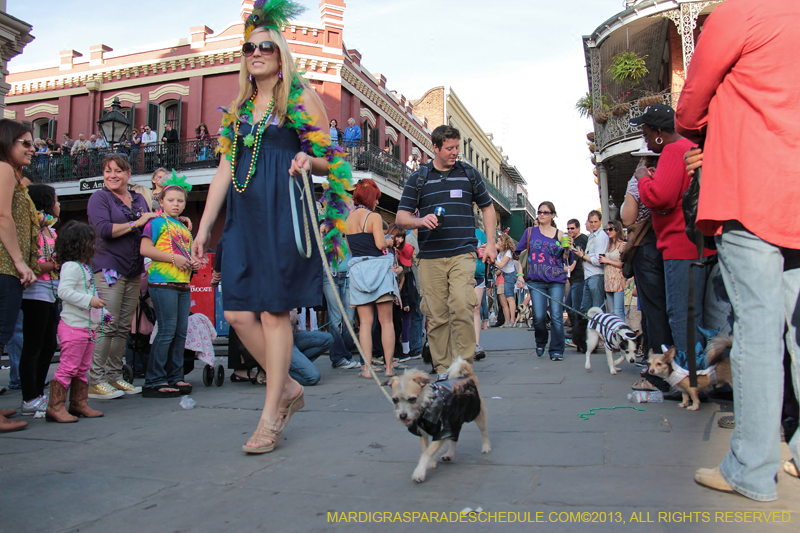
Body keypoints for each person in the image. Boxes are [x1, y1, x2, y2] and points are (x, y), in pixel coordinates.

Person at [191, 0, 351, 455]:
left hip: (285, 214)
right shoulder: (239, 109)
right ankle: (289, 390)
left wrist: (308, 158)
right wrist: (205, 229)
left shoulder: (300, 98)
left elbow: (332, 162)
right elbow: (225, 167)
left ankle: (269, 415)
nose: (256, 52)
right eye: (249, 47)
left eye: (266, 46)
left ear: (280, 55)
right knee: (238, 313)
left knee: (274, 312)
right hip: (243, 218)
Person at [675, 0, 800, 501]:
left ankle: (751, 468)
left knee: (757, 331)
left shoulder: (741, 13)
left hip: (752, 189)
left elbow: (688, 108)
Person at [395, 124, 497, 373]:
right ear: (435, 148)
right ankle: (442, 370)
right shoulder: (419, 178)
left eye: (457, 148)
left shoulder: (469, 174)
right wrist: (420, 221)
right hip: (430, 257)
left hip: (463, 252)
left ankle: (462, 368)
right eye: (449, 148)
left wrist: (492, 243)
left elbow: (488, 207)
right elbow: (400, 218)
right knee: (437, 315)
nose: (454, 153)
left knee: (462, 306)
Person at [630, 105, 716, 356]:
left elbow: (660, 198)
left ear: (658, 132)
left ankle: (690, 378)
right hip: (701, 242)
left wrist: (643, 178)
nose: (644, 138)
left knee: (682, 315)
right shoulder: (690, 147)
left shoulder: (672, 150)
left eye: (646, 132)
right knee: (700, 315)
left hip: (680, 245)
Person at [87, 155, 157, 399]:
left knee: (122, 328)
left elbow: (151, 226)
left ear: (128, 174)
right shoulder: (100, 198)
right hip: (109, 267)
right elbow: (103, 229)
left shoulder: (138, 198)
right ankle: (95, 380)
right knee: (107, 325)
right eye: (107, 171)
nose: (112, 175)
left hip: (133, 268)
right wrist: (137, 222)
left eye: (118, 170)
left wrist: (179, 220)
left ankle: (114, 376)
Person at [139, 176, 198, 398]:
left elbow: (182, 253)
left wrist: (190, 261)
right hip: (162, 283)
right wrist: (174, 259)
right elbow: (145, 249)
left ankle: (175, 376)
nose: (176, 204)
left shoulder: (181, 226)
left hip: (182, 283)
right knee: (166, 331)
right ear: (160, 201)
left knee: (180, 332)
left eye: (180, 201)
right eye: (171, 200)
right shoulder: (155, 223)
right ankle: (154, 380)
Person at [0, 119, 39, 432]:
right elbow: (2, 217)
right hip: (4, 267)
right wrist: (20, 262)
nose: (32, 148)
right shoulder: (2, 170)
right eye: (24, 143)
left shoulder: (12, 174)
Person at [48, 221, 106, 422]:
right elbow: (64, 292)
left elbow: (89, 291)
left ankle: (78, 403)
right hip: (74, 327)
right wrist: (90, 301)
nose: (93, 246)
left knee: (82, 368)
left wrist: (103, 313)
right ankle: (55, 406)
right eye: (89, 242)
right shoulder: (71, 267)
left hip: (87, 327)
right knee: (68, 367)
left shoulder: (83, 268)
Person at [345, 179, 398, 378]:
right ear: (370, 198)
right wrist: (389, 240)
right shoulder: (374, 217)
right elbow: (379, 243)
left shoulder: (348, 220)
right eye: (375, 198)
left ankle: (366, 368)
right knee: (386, 322)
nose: (376, 202)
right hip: (379, 271)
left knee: (365, 323)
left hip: (359, 273)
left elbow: (351, 250)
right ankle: (389, 367)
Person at [18, 184, 60, 416]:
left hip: (52, 290)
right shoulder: (31, 230)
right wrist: (57, 263)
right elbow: (32, 263)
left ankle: (38, 393)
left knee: (48, 345)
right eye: (55, 199)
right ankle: (29, 397)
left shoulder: (51, 231)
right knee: (34, 345)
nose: (58, 204)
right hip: (35, 292)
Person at [515, 201, 573, 361]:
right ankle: (540, 341)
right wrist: (520, 275)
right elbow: (521, 255)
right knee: (539, 316)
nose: (541, 214)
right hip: (536, 280)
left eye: (546, 212)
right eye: (540, 212)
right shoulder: (530, 232)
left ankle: (556, 350)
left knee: (556, 315)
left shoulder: (560, 234)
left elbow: (567, 259)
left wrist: (567, 249)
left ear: (553, 215)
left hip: (556, 280)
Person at [575, 210, 608, 314]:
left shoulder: (601, 236)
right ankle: (587, 329)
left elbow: (599, 260)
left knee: (597, 309)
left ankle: (599, 330)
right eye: (591, 222)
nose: (593, 224)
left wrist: (583, 256)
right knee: (585, 309)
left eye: (596, 221)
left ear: (601, 221)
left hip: (597, 275)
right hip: (589, 275)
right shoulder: (592, 235)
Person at [564, 219, 588, 340]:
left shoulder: (582, 239)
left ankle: (578, 333)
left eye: (572, 228)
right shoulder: (572, 241)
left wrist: (569, 268)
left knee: (576, 308)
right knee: (569, 305)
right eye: (568, 228)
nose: (570, 231)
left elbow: (580, 256)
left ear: (578, 228)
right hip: (574, 279)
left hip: (580, 277)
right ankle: (575, 330)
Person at [600, 220, 626, 319]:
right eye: (607, 230)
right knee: (612, 312)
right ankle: (614, 333)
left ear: (617, 230)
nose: (608, 231)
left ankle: (622, 333)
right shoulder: (609, 246)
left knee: (618, 311)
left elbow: (623, 264)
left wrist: (607, 260)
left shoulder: (622, 245)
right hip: (608, 281)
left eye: (611, 229)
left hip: (618, 280)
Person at [494, 234, 518, 328]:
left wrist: (493, 261)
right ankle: (507, 321)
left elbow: (501, 265)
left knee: (510, 298)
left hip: (510, 275)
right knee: (505, 300)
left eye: (500, 241)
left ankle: (512, 320)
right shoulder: (501, 253)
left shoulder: (508, 252)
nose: (498, 242)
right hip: (505, 275)